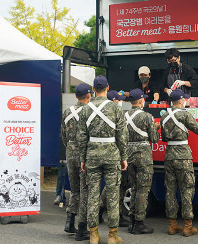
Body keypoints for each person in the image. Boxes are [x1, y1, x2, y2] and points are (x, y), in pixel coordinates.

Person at [77, 75, 128, 244]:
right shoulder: (116, 109)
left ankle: (93, 235)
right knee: (113, 195)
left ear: (93, 90)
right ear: (107, 88)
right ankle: (112, 236)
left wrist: (82, 158)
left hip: (91, 156)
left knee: (92, 194)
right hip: (112, 155)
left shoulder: (85, 109)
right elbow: (122, 135)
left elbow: (81, 138)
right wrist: (124, 157)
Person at [160, 89, 198, 237]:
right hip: (183, 157)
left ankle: (172, 225)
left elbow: (163, 138)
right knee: (186, 190)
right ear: (181, 101)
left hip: (169, 155)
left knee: (170, 191)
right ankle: (188, 226)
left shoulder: (164, 117)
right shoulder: (184, 114)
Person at [125, 89, 160, 235]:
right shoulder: (147, 116)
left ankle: (132, 220)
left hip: (128, 155)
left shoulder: (124, 115)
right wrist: (156, 128)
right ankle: (139, 223)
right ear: (141, 100)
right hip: (143, 157)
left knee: (133, 188)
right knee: (143, 190)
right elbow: (154, 139)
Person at [60, 83, 93, 240]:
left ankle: (69, 221)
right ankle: (82, 228)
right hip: (83, 152)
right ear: (88, 96)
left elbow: (63, 135)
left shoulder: (67, 111)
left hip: (70, 151)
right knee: (85, 190)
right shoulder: (89, 111)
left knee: (74, 190)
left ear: (75, 96)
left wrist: (70, 147)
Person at [98, 90, 130, 227]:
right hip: (114, 153)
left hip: (101, 152)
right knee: (115, 185)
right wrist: (124, 156)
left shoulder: (100, 113)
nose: (120, 102)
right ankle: (116, 218)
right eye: (118, 100)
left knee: (113, 185)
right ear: (113, 101)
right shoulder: (116, 113)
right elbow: (122, 136)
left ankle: (99, 209)